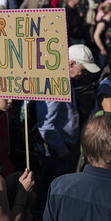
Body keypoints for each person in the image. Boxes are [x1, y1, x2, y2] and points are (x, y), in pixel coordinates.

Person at [35, 44, 100, 210]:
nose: (83, 74)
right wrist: (62, 150)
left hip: (62, 146)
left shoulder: (63, 80)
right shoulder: (55, 83)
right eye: (82, 69)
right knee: (55, 194)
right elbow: (46, 126)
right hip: (57, 151)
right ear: (71, 64)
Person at [93, 2, 111, 67]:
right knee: (101, 68)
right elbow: (96, 36)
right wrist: (102, 49)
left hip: (110, 50)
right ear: (110, 11)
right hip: (103, 52)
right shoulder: (102, 23)